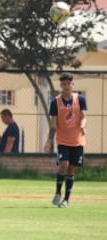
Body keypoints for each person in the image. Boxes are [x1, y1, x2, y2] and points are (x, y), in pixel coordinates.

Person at [43, 72, 87, 208]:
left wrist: (82, 125)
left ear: (72, 84)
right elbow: (53, 124)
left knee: (71, 169)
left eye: (69, 83)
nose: (66, 86)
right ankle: (57, 192)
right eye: (64, 83)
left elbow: (83, 116)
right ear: (61, 85)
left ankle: (66, 200)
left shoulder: (80, 99)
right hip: (62, 140)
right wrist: (49, 141)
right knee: (64, 165)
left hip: (77, 141)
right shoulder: (55, 102)